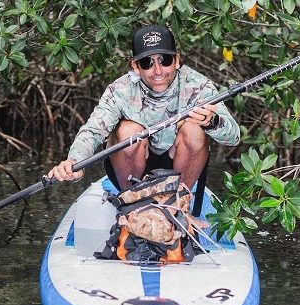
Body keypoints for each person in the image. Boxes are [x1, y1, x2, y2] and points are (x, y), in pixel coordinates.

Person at [48, 24, 240, 191]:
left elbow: (234, 138)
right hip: (130, 168)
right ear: (135, 66)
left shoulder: (198, 85)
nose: (157, 71)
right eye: (147, 62)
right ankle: (132, 202)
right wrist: (75, 161)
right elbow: (93, 130)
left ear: (177, 60)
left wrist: (212, 122)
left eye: (164, 60)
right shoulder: (120, 90)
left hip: (179, 165)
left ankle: (179, 202)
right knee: (129, 131)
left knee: (193, 130)